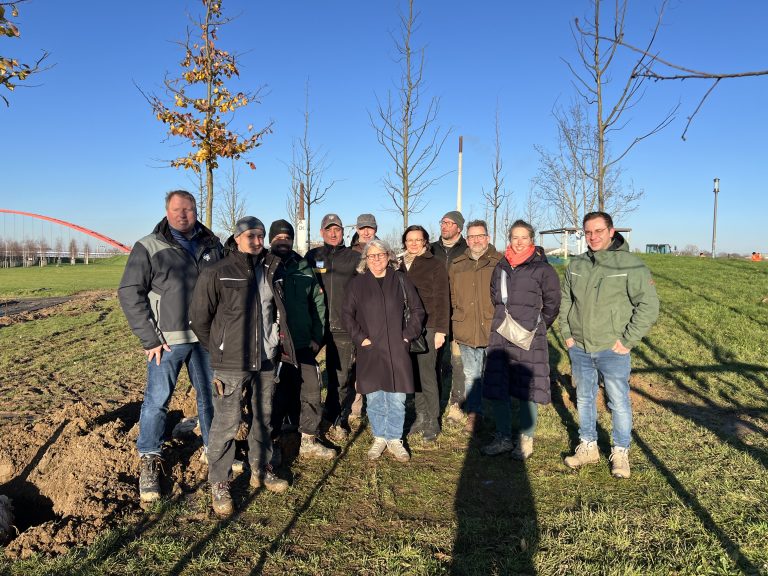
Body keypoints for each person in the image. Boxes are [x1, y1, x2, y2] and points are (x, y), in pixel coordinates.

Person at [118, 189, 223, 503]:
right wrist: (150, 338)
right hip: (166, 342)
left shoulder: (211, 245)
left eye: (188, 209)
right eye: (177, 210)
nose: (183, 215)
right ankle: (150, 457)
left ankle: (214, 449)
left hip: (205, 339)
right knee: (157, 399)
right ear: (167, 212)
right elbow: (129, 293)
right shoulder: (149, 247)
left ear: (195, 211)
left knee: (210, 396)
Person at [190, 217, 291, 516]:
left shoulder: (272, 268)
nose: (258, 241)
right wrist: (219, 347)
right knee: (226, 423)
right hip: (231, 362)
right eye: (251, 236)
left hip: (265, 357)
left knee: (264, 416)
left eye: (261, 235)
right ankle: (220, 482)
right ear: (237, 238)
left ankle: (262, 467)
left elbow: (275, 310)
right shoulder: (217, 271)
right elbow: (199, 318)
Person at [561, 211, 659, 478]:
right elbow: (565, 301)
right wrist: (567, 334)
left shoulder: (630, 265)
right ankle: (588, 446)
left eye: (598, 231)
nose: (593, 237)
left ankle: (620, 451)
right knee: (584, 397)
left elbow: (649, 306)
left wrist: (627, 340)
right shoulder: (577, 264)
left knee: (618, 401)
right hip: (580, 346)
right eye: (588, 232)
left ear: (611, 231)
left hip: (612, 348)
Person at [482, 220, 561, 459]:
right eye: (514, 237)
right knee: (499, 386)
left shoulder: (543, 270)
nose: (518, 242)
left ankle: (526, 439)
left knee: (528, 389)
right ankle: (503, 437)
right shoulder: (501, 267)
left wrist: (538, 326)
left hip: (530, 337)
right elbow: (494, 296)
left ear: (532, 240)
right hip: (502, 334)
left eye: (523, 237)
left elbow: (553, 304)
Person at [342, 239, 425, 462]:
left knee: (397, 398)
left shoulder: (400, 280)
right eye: (372, 256)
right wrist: (361, 339)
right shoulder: (356, 284)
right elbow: (347, 316)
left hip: (397, 349)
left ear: (389, 256)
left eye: (381, 255)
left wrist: (407, 335)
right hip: (370, 349)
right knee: (375, 396)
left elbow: (417, 310)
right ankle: (379, 436)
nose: (376, 259)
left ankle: (395, 438)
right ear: (365, 259)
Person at [268, 219, 335, 461]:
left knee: (312, 390)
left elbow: (317, 304)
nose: (283, 242)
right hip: (275, 346)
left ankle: (308, 438)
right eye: (278, 238)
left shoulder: (303, 266)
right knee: (275, 394)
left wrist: (317, 336)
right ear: (271, 240)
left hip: (304, 342)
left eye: (287, 238)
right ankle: (272, 443)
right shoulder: (265, 266)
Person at [305, 214, 359, 438]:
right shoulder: (312, 256)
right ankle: (304, 418)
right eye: (329, 229)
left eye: (337, 229)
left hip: (343, 326)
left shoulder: (354, 258)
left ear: (343, 232)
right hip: (315, 325)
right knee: (305, 373)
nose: (334, 233)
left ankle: (336, 418)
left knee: (340, 375)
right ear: (322, 232)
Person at [448, 220, 502, 434]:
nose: (476, 240)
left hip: (493, 326)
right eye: (471, 237)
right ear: (466, 239)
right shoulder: (458, 264)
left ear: (487, 238)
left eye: (480, 236)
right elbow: (452, 295)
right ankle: (474, 414)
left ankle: (501, 418)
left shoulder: (499, 262)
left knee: (496, 373)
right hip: (466, 326)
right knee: (471, 374)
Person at [399, 225, 450, 442]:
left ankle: (433, 419)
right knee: (413, 374)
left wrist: (441, 330)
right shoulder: (399, 265)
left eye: (417, 240)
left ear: (425, 242)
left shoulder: (435, 265)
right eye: (409, 240)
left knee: (427, 374)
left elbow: (442, 299)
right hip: (405, 327)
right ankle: (420, 416)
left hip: (428, 326)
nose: (413, 243)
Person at [430, 210, 468, 423]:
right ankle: (433, 401)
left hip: (459, 314)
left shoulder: (466, 250)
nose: (444, 226)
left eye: (449, 223)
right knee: (433, 360)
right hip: (435, 315)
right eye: (442, 222)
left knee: (458, 361)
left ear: (459, 228)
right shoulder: (431, 249)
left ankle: (456, 405)